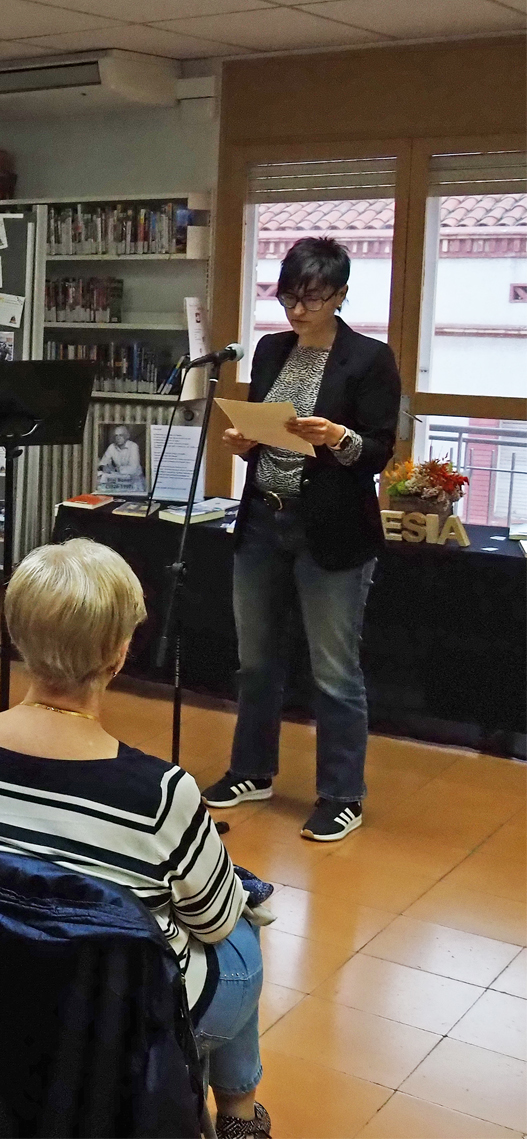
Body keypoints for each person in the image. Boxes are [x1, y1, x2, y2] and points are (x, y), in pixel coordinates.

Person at [0, 540, 268, 1138]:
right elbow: (212, 926)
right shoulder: (161, 792)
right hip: (124, 1021)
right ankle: (238, 1115)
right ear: (118, 653)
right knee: (242, 925)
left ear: (17, 636)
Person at [204, 237, 401, 842]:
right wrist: (246, 442)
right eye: (288, 297)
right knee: (255, 659)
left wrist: (338, 436)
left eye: (312, 299)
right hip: (264, 518)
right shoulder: (271, 350)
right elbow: (269, 432)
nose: (297, 311)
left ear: (340, 295)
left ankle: (342, 795)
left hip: (333, 529)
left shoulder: (369, 359)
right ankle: (251, 770)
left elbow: (377, 452)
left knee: (334, 671)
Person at [96, 424, 145, 493]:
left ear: (127, 436)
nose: (118, 438)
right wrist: (104, 467)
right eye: (116, 435)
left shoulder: (133, 446)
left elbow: (133, 469)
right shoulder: (112, 447)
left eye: (121, 435)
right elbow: (103, 463)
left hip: (134, 482)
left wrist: (115, 469)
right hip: (119, 480)